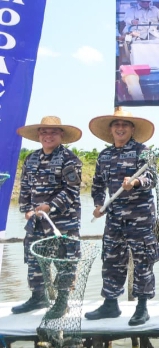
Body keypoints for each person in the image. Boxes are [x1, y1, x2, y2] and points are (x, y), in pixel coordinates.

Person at [85, 108, 157, 326]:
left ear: (132, 129)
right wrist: (99, 205)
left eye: (125, 124)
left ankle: (142, 307)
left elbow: (152, 178)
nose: (120, 128)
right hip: (114, 218)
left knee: (143, 260)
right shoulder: (104, 155)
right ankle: (110, 304)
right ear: (110, 129)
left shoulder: (143, 151)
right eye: (116, 124)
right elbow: (98, 185)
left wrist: (135, 182)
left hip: (140, 217)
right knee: (111, 260)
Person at [12, 117, 83, 317]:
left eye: (53, 132)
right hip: (36, 222)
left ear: (61, 135)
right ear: (38, 135)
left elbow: (72, 190)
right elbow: (25, 187)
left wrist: (50, 206)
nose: (48, 136)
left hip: (62, 222)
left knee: (65, 262)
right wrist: (26, 209)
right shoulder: (31, 159)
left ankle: (62, 302)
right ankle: (38, 297)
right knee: (34, 260)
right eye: (44, 132)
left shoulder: (69, 159)